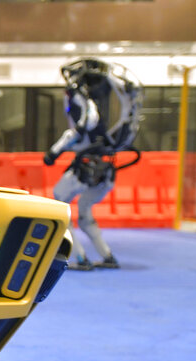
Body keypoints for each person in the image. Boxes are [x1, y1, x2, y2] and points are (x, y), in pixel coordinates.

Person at [44, 58, 142, 271]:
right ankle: (106, 255)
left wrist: (54, 152)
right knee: (85, 211)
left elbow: (80, 127)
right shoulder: (102, 106)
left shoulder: (83, 103)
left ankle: (79, 257)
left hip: (86, 169)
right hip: (106, 171)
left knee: (60, 205)